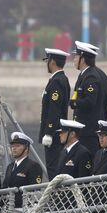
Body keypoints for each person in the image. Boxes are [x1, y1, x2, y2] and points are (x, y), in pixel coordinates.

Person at [70, 41, 107, 156]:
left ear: (82, 58)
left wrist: (73, 103)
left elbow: (90, 102)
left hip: (88, 130)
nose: (74, 59)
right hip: (90, 129)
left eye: (76, 56)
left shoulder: (91, 76)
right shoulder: (95, 73)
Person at [39, 48, 71, 179]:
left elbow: (54, 108)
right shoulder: (59, 79)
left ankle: (56, 197)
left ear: (52, 61)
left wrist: (49, 132)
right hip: (57, 131)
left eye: (47, 60)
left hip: (55, 133)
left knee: (53, 168)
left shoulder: (57, 81)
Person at [55, 119, 92, 213]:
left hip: (74, 205)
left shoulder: (82, 153)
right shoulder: (63, 152)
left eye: (63, 132)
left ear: (72, 134)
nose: (60, 135)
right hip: (61, 205)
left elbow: (84, 182)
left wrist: (80, 207)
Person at [1, 132, 43, 208]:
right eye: (13, 146)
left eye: (17, 146)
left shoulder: (33, 166)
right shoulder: (10, 166)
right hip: (8, 210)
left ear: (26, 148)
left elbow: (34, 191)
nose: (14, 148)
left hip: (24, 210)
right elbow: (4, 189)